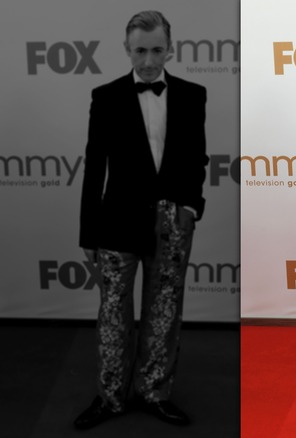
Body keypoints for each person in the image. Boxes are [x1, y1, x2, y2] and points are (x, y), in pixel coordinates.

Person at [74, 10, 208, 430]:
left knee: (164, 312)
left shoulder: (192, 94)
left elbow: (195, 159)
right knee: (113, 314)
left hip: (172, 220)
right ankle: (111, 397)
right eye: (140, 51)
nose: (148, 60)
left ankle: (155, 393)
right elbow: (94, 167)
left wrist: (191, 207)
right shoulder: (106, 95)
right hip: (115, 221)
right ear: (126, 49)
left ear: (170, 48)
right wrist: (88, 231)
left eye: (156, 50)